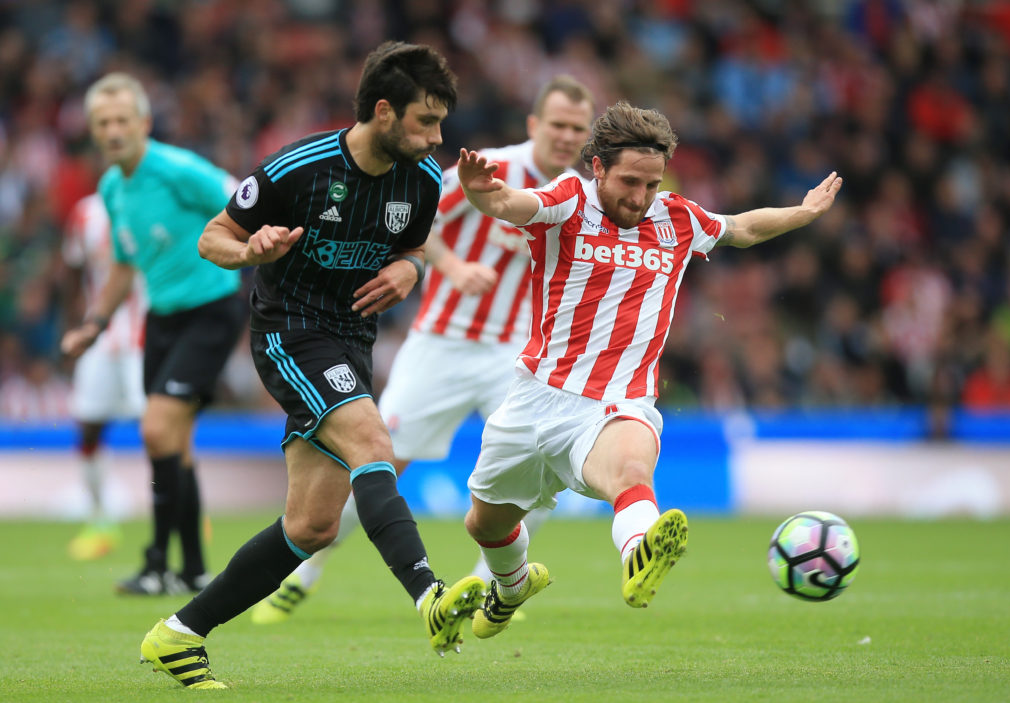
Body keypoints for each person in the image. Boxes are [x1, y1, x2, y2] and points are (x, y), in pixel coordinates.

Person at [138, 41, 481, 690]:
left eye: (441, 123)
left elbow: (412, 245)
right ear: (384, 112)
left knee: (313, 524)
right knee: (373, 442)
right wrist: (250, 249)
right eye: (425, 122)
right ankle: (429, 595)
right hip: (289, 334)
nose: (437, 139)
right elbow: (215, 235)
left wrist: (409, 268)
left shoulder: (424, 179)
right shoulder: (297, 169)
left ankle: (176, 635)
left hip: (353, 341)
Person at [456, 101, 843, 637]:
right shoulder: (569, 201)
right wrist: (482, 191)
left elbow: (743, 229)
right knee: (486, 522)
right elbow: (511, 201)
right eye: (629, 182)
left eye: (651, 184)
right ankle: (513, 584)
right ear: (597, 168)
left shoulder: (678, 218)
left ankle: (640, 553)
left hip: (618, 402)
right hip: (537, 395)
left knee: (631, 473)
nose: (640, 198)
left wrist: (802, 214)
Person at [250, 75, 596, 625]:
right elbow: (416, 221)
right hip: (442, 343)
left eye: (578, 129)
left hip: (515, 351)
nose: (566, 136)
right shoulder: (488, 169)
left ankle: (493, 590)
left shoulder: (582, 193)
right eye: (557, 124)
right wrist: (454, 268)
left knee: (538, 466)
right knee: (377, 462)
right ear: (534, 125)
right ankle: (304, 573)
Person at [61, 73, 245, 595]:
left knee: (158, 431)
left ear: (144, 123)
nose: (113, 130)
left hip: (211, 309)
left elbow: (241, 202)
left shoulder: (177, 169)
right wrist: (93, 326)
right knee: (174, 444)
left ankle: (156, 565)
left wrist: (259, 258)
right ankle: (191, 572)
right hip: (161, 319)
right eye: (103, 123)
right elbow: (124, 267)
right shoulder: (112, 188)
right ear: (94, 131)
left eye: (122, 120)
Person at [62, 193, 146, 561]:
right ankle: (100, 521)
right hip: (99, 336)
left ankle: (182, 515)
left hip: (146, 335)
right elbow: (72, 272)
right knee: (88, 426)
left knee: (162, 429)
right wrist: (75, 327)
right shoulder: (85, 212)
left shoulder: (154, 202)